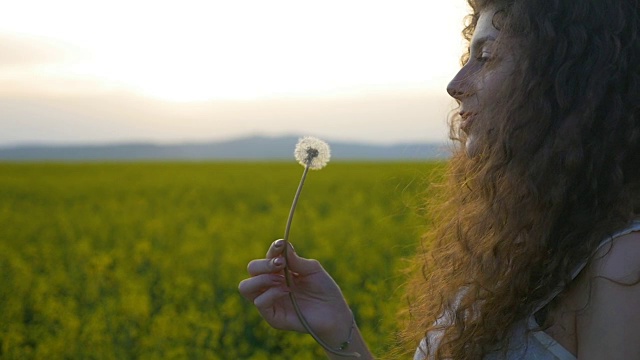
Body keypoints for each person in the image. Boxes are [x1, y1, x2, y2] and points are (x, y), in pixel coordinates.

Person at [238, 0, 640, 358]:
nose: (456, 86)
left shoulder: (622, 266)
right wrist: (339, 331)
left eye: (486, 56)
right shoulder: (523, 244)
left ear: (566, 79)